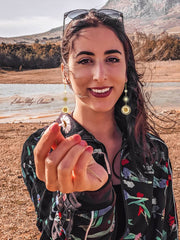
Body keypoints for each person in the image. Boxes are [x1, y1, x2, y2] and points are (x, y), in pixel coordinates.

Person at [21, 9, 178, 240]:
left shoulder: (154, 150)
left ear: (126, 70)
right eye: (85, 60)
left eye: (112, 59)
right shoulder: (43, 148)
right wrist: (92, 199)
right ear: (65, 73)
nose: (100, 74)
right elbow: (51, 233)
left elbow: (167, 231)